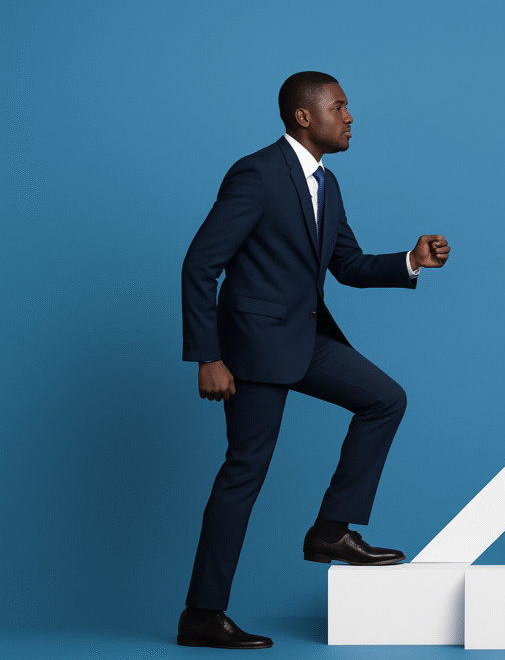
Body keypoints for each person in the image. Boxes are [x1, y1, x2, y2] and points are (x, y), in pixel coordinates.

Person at [177, 71, 450, 649]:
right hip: (251, 349)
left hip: (304, 338)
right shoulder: (256, 174)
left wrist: (410, 259)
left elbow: (346, 266)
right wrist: (208, 357)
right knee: (244, 474)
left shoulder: (327, 184)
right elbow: (200, 265)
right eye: (341, 107)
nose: (350, 118)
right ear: (306, 116)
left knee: (385, 399)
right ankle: (202, 614)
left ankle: (330, 531)